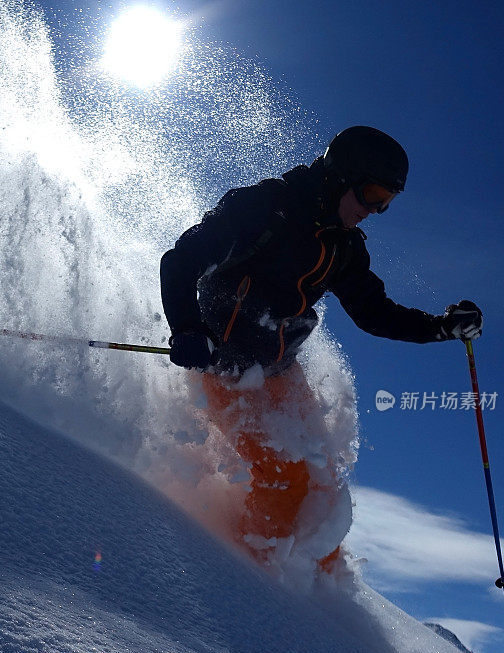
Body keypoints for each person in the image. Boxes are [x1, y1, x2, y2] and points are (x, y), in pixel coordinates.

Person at [160, 126, 482, 571]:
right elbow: (182, 260)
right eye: (372, 194)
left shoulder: (343, 247)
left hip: (280, 369)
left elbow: (374, 313)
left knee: (322, 487)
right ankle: (250, 580)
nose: (375, 210)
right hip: (226, 363)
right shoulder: (268, 209)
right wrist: (188, 329)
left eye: (386, 202)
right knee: (284, 481)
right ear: (340, 176)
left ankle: (323, 599)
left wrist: (442, 328)